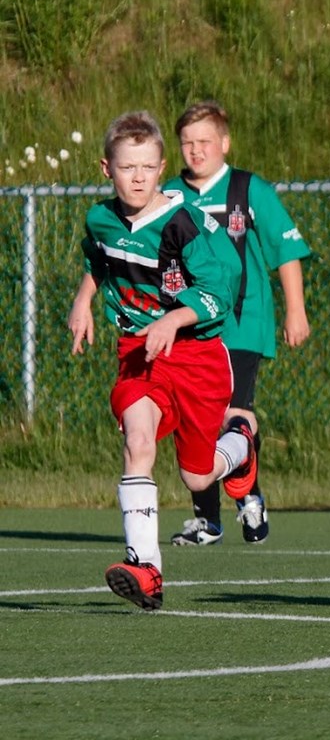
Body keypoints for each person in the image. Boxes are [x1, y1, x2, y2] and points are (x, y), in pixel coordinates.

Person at [67, 111, 253, 610]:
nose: (139, 177)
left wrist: (173, 321)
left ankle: (240, 446)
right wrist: (83, 301)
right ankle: (146, 570)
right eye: (128, 168)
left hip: (195, 355)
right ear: (106, 168)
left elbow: (217, 293)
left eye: (149, 167)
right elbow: (98, 258)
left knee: (197, 476)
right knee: (138, 442)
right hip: (138, 352)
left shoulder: (180, 224)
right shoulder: (100, 218)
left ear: (161, 166)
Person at [162, 100, 313, 546]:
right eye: (188, 143)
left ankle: (248, 497)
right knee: (193, 420)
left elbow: (285, 253)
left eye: (205, 141)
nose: (196, 150)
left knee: (232, 415)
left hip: (244, 323)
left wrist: (295, 309)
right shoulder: (169, 193)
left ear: (224, 143)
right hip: (190, 325)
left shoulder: (249, 190)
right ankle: (208, 519)